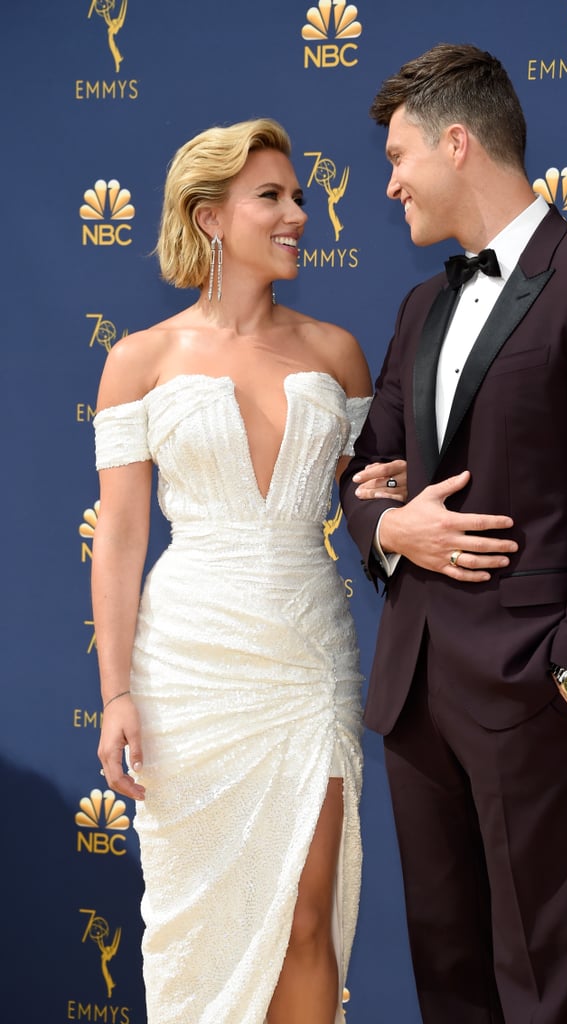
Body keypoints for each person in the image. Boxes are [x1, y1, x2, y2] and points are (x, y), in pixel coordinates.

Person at [339, 44, 567, 1024]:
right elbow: (365, 471)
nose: (390, 181)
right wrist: (391, 524)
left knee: (540, 979)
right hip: (411, 695)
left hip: (531, 689)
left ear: (457, 142)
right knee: (449, 978)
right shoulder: (420, 304)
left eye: (399, 156)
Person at [92, 118, 405, 1024]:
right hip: (188, 665)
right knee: (199, 931)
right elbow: (118, 537)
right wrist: (116, 694)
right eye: (271, 196)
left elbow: (366, 508)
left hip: (306, 659)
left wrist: (393, 500)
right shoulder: (139, 360)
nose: (298, 213)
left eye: (298, 195)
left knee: (309, 920)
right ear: (208, 218)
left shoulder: (336, 352)